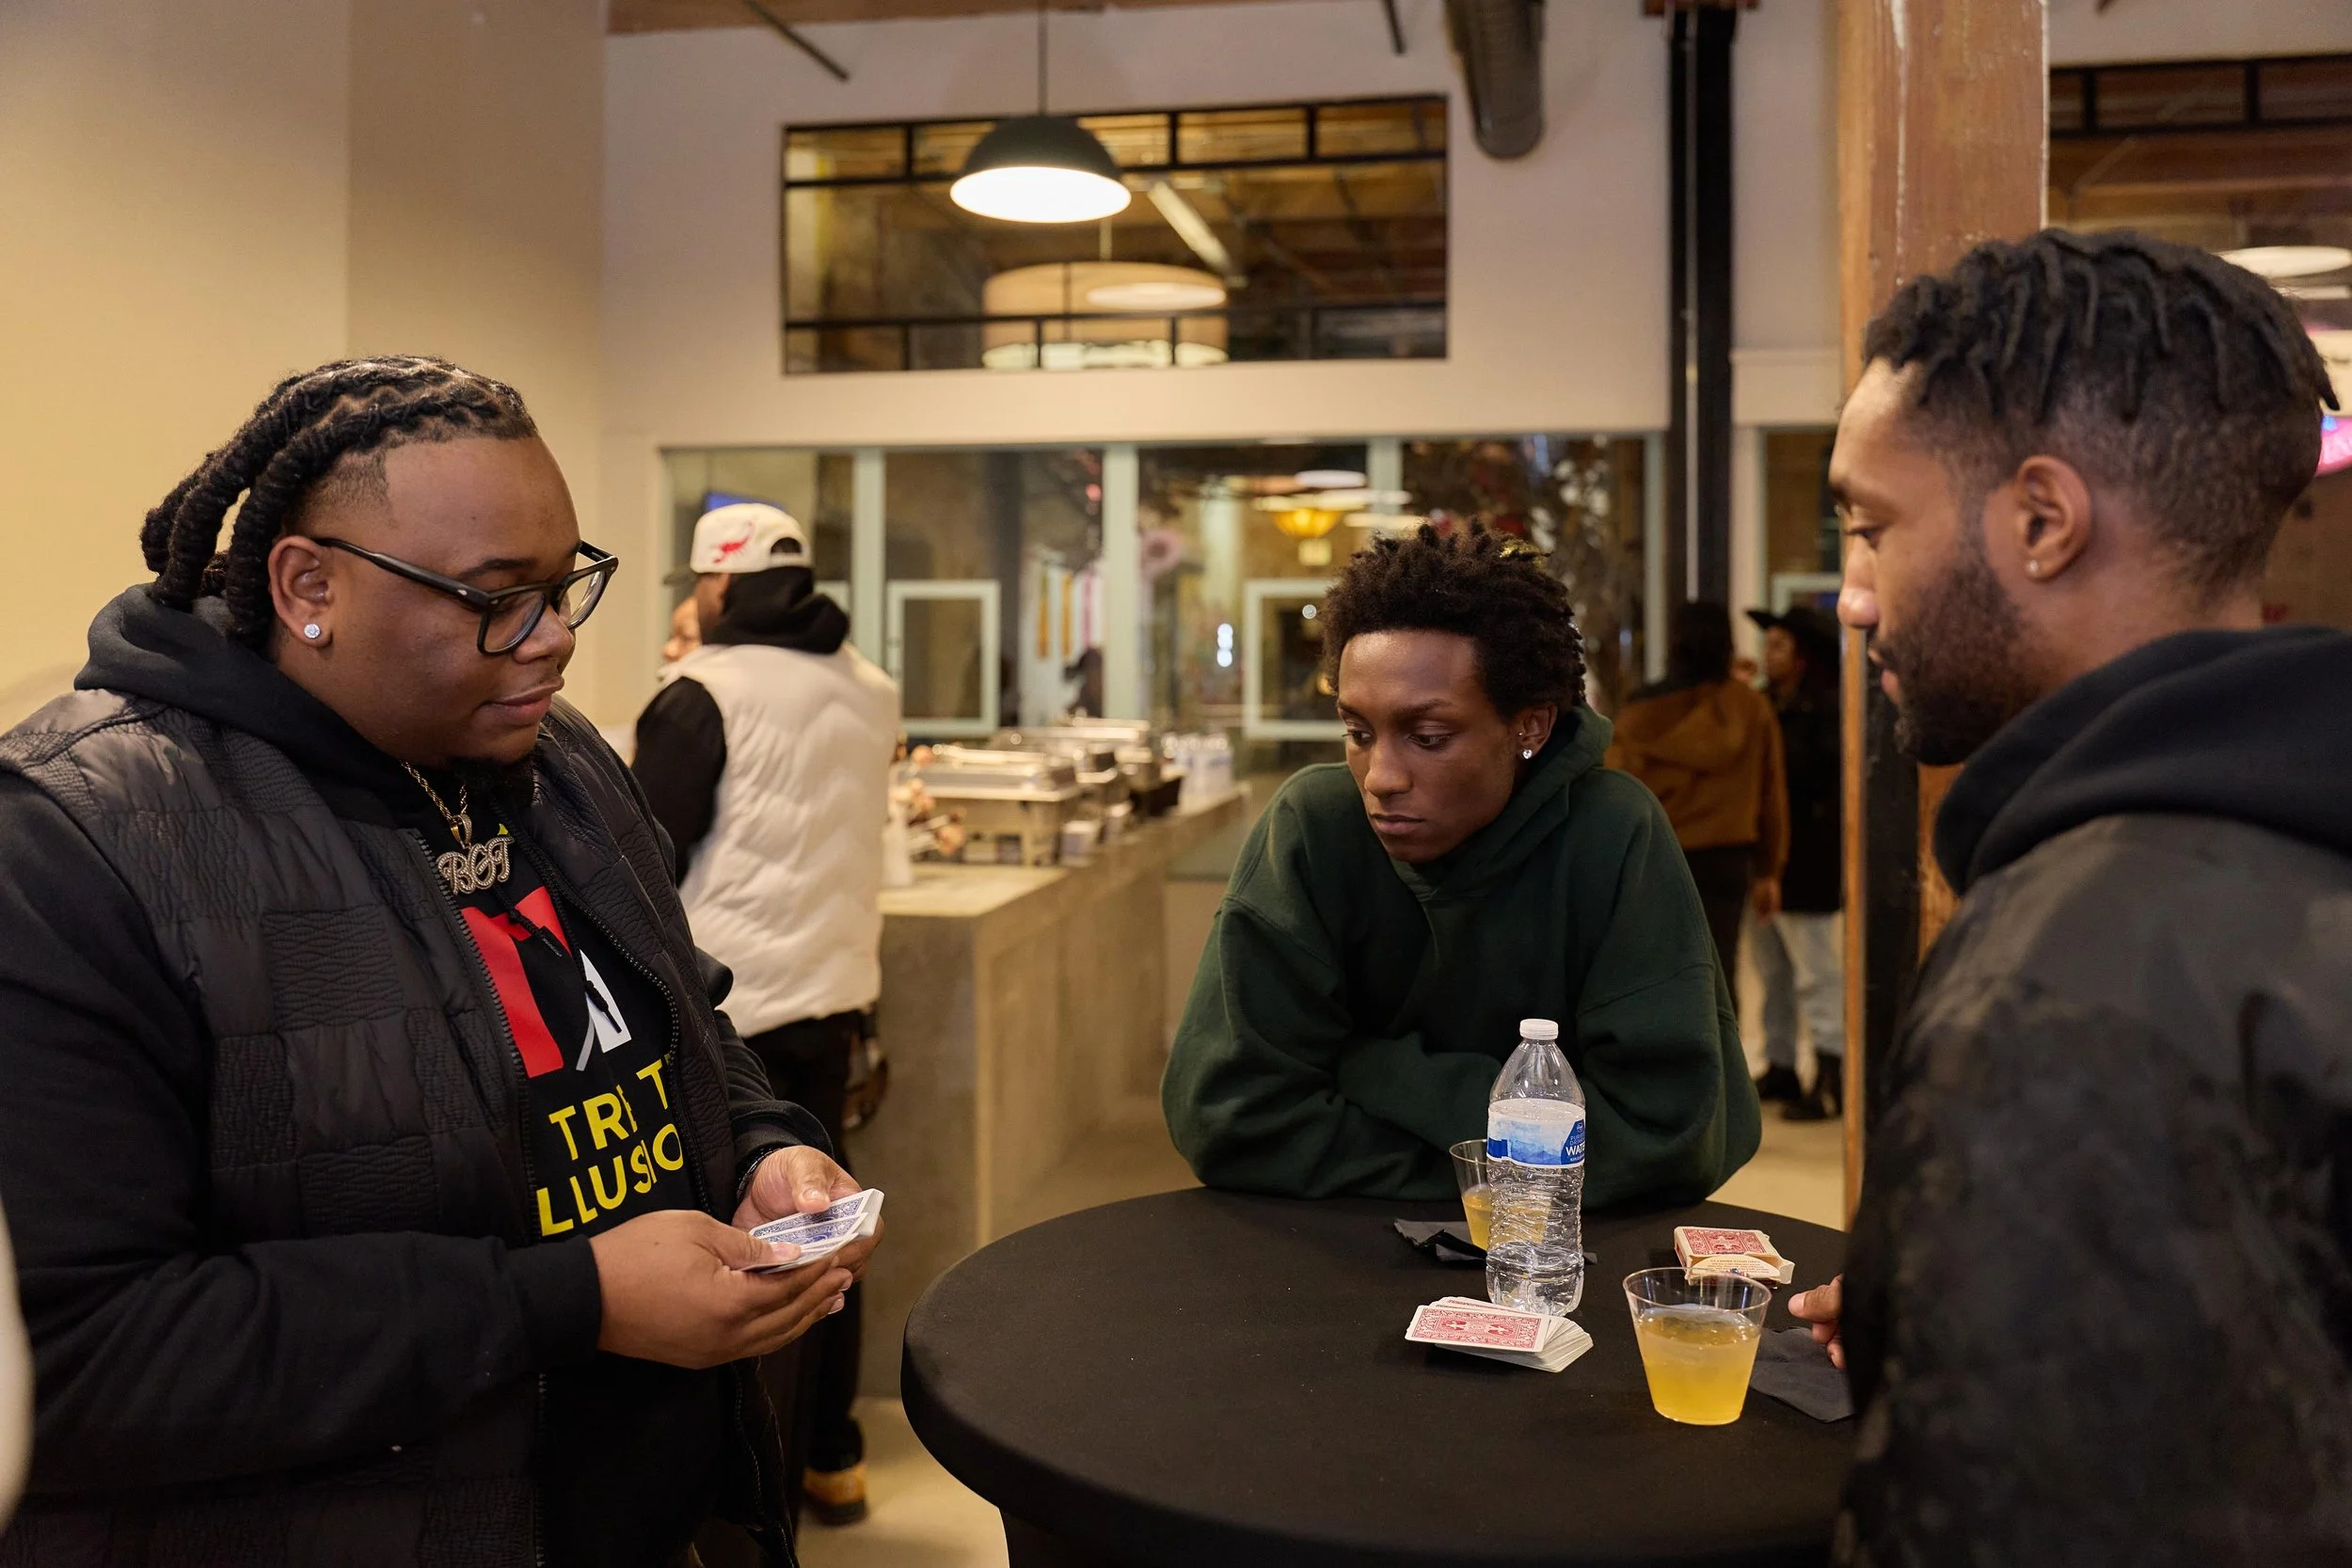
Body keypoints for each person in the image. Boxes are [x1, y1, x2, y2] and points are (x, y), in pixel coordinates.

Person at [0, 357, 878, 1567]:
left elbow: (684, 1021)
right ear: (309, 586)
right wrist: (573, 1300)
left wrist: (767, 1144)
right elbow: (82, 1355)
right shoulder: (75, 842)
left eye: (567, 582)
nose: (556, 638)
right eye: (496, 595)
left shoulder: (556, 762)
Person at [1784, 230, 2352, 1559]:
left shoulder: (2072, 979)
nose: (1854, 596)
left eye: (1872, 526)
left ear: (2041, 519)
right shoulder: (2290, 842)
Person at [1163, 526, 1758, 1205]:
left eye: (1428, 737)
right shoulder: (1311, 829)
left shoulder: (1615, 833)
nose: (1381, 776)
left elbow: (1667, 1138)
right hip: (1322, 1260)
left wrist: (1373, 1069)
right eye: (1358, 732)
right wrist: (1492, 1174)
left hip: (1561, 1269)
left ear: (1528, 727)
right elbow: (1228, 1121)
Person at [631, 502, 900, 1528]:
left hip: (727, 1015)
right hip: (834, 990)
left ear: (716, 587)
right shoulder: (870, 686)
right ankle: (834, 1453)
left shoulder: (702, 692)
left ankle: (755, 1487)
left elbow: (639, 861)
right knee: (831, 1222)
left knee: (739, 1244)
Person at [1606, 602, 1788, 985]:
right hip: (1728, 858)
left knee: (1656, 972)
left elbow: (1616, 793)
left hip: (1657, 855)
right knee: (1719, 972)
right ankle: (1718, 1044)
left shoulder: (1640, 713)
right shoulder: (1750, 708)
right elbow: (1771, 794)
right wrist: (1769, 870)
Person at [1741, 604, 1843, 1120]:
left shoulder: (1827, 710)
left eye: (1780, 646)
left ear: (1803, 657)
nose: (1767, 654)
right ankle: (1780, 1063)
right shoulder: (1763, 705)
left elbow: (1811, 778)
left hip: (1810, 862)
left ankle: (1831, 1073)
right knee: (1771, 966)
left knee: (1816, 970)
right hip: (1766, 862)